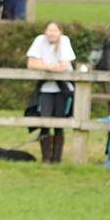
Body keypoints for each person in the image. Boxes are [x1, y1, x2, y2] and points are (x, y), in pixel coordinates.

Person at [26, 21, 75, 164]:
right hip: (46, 88)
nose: (52, 33)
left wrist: (44, 66)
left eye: (55, 30)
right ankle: (46, 158)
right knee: (45, 121)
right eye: (49, 30)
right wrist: (50, 67)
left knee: (59, 122)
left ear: (60, 32)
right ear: (45, 31)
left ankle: (57, 158)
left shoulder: (64, 41)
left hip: (62, 89)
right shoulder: (39, 41)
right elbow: (31, 64)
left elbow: (64, 65)